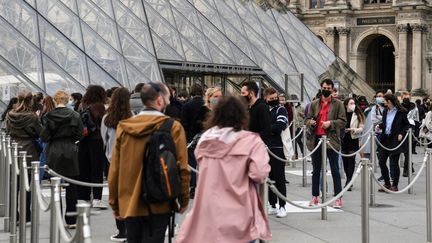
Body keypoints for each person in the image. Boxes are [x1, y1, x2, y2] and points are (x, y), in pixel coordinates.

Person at [176, 95, 271, 243]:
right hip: (240, 211)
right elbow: (259, 174)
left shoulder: (205, 140)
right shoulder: (251, 141)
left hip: (210, 211)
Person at [108, 82, 190, 243]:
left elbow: (115, 169)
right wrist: (183, 198)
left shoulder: (124, 127)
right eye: (167, 98)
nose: (168, 102)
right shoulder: (173, 127)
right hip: (160, 201)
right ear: (159, 100)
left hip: (130, 201)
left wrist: (114, 202)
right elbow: (182, 168)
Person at [40, 90, 83, 228]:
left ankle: (57, 217)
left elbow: (44, 136)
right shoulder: (75, 115)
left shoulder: (49, 116)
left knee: (55, 186)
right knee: (72, 186)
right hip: (70, 149)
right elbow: (79, 134)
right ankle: (71, 219)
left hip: (54, 151)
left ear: (55, 100)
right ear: (67, 100)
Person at [305, 79, 346, 208]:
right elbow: (306, 119)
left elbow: (343, 121)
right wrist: (310, 123)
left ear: (332, 89)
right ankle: (315, 196)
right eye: (324, 87)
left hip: (331, 140)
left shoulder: (338, 104)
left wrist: (331, 123)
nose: (326, 90)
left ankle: (338, 198)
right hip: (316, 139)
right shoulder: (314, 104)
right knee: (316, 170)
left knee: (335, 170)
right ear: (321, 88)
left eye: (329, 88)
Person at [101, 87, 133, 242]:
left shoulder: (107, 118)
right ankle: (129, 227)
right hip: (130, 160)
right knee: (128, 194)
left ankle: (121, 230)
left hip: (112, 160)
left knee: (115, 195)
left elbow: (104, 139)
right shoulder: (132, 117)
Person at [6, 91, 42, 223]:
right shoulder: (32, 117)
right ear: (31, 101)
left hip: (14, 150)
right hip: (29, 151)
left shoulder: (10, 115)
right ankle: (26, 214)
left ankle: (14, 214)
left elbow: (8, 131)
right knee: (27, 184)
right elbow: (41, 133)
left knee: (14, 184)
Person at [77, 85, 108, 209]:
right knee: (96, 169)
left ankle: (83, 197)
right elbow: (103, 123)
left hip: (83, 140)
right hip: (96, 140)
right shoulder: (100, 106)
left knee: (84, 168)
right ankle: (96, 198)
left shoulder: (82, 105)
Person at [263, 87, 288, 218]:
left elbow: (281, 126)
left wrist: (266, 129)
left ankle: (282, 205)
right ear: (266, 98)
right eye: (271, 98)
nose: (274, 100)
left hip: (277, 148)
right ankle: (272, 204)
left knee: (279, 178)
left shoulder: (281, 109)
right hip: (265, 148)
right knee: (269, 177)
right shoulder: (265, 110)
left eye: (275, 98)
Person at [377, 94, 409, 192]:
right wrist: (380, 126)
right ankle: (387, 183)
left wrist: (401, 133)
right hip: (385, 139)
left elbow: (407, 125)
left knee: (394, 162)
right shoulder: (386, 111)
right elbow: (386, 124)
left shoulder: (401, 111)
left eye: (385, 100)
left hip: (395, 139)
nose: (384, 102)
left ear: (390, 101)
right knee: (381, 161)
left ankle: (395, 185)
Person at [181, 83, 206, 198]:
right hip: (205, 137)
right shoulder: (206, 106)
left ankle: (193, 187)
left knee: (192, 163)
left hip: (191, 138)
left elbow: (184, 124)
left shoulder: (187, 106)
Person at [341, 98, 365, 191]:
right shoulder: (342, 113)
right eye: (350, 103)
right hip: (343, 139)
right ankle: (348, 177)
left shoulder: (358, 114)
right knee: (345, 160)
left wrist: (354, 129)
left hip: (353, 138)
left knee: (351, 159)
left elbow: (362, 127)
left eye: (354, 103)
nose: (352, 105)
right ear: (346, 105)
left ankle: (349, 181)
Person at [400, 91, 419, 176]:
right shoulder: (399, 107)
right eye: (404, 97)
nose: (406, 98)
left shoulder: (414, 107)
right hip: (402, 130)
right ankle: (409, 166)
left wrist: (417, 134)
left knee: (407, 150)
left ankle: (406, 169)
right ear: (401, 97)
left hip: (411, 130)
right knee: (405, 150)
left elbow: (416, 120)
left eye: (407, 96)